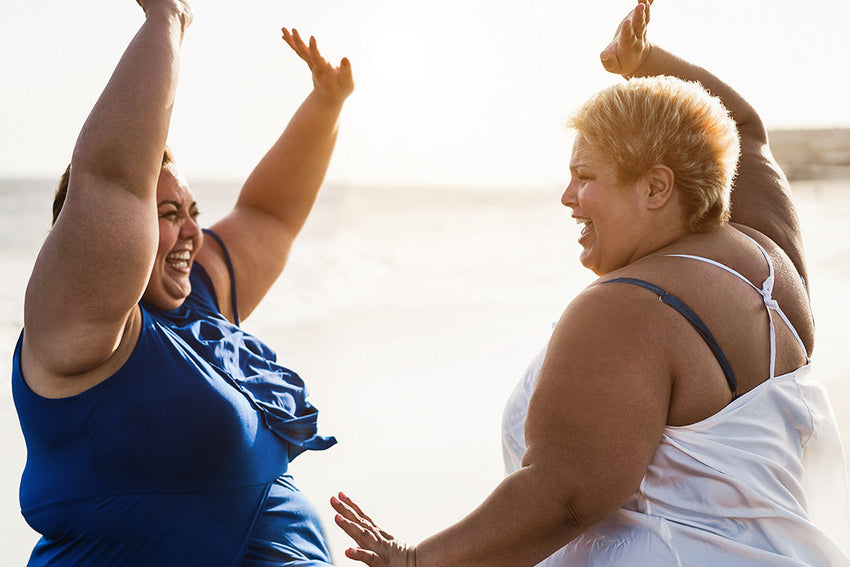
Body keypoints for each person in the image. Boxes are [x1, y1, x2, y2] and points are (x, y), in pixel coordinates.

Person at [329, 1, 850, 565]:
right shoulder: (770, 260)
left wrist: (415, 561)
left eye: (585, 176)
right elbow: (743, 127)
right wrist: (647, 62)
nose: (567, 196)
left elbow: (566, 496)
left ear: (655, 188)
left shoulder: (630, 308)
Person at [12, 0, 353, 565]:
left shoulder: (199, 302)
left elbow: (269, 216)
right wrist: (167, 18)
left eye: (194, 209)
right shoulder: (76, 330)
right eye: (168, 214)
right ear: (114, 232)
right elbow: (113, 176)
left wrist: (325, 105)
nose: (194, 230)